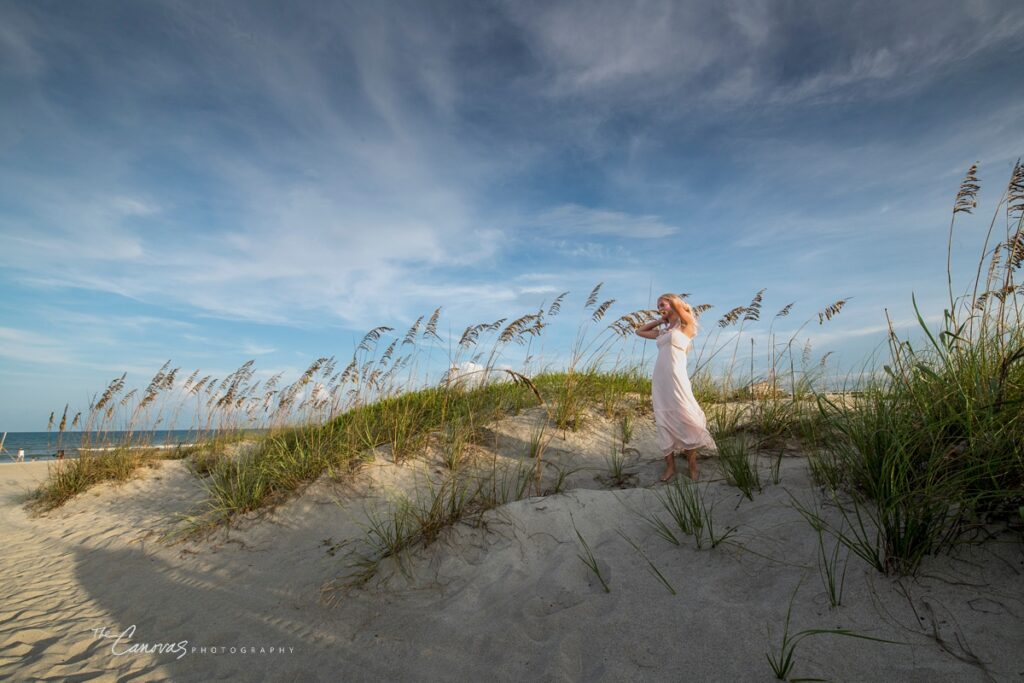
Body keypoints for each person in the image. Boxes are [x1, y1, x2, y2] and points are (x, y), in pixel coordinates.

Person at [636, 293, 715, 481]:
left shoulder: (686, 325)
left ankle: (692, 466)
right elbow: (640, 331)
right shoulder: (664, 331)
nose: (659, 307)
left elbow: (680, 308)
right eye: (658, 305)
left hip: (677, 377)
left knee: (685, 417)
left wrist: (673, 304)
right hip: (660, 378)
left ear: (672, 303)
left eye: (662, 304)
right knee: (663, 419)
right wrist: (659, 320)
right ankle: (670, 467)